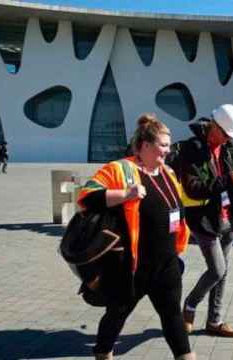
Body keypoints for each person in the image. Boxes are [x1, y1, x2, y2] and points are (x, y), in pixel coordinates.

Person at [77, 114, 195, 360]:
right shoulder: (120, 169)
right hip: (131, 266)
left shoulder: (168, 172)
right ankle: (103, 353)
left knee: (172, 315)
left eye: (168, 145)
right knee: (117, 313)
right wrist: (125, 194)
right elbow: (86, 197)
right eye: (163, 145)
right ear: (145, 145)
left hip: (166, 264)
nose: (168, 150)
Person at [172, 104, 233, 338]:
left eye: (231, 136)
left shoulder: (227, 147)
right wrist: (228, 180)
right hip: (203, 219)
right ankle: (189, 305)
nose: (228, 139)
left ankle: (214, 321)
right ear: (214, 127)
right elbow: (194, 188)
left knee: (223, 271)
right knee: (217, 270)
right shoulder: (192, 148)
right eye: (226, 134)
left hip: (228, 216)